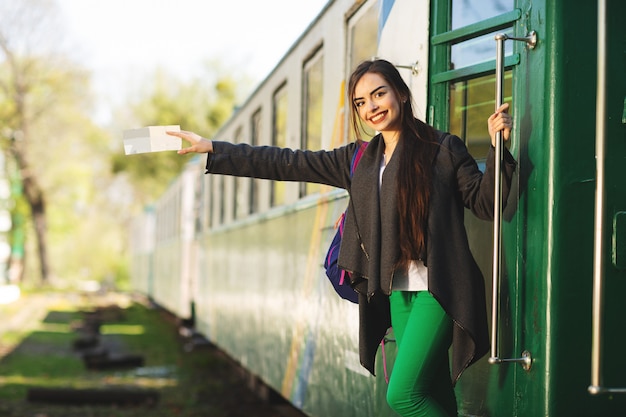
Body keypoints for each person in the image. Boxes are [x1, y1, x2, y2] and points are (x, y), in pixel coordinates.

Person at [167, 59, 515, 417]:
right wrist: (212, 148)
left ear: (401, 93)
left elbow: (485, 203)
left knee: (404, 395)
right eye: (361, 102)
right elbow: (287, 162)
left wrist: (497, 149)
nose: (371, 107)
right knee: (434, 391)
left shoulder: (443, 149)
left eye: (379, 94)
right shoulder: (359, 159)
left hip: (439, 291)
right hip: (397, 292)